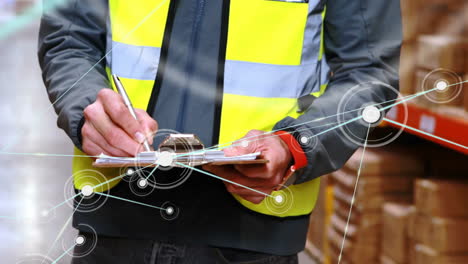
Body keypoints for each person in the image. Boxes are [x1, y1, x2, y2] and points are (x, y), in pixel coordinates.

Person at [38, 0, 402, 263]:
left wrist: (296, 144)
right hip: (116, 218)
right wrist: (88, 109)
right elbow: (68, 41)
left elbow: (369, 71)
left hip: (253, 233)